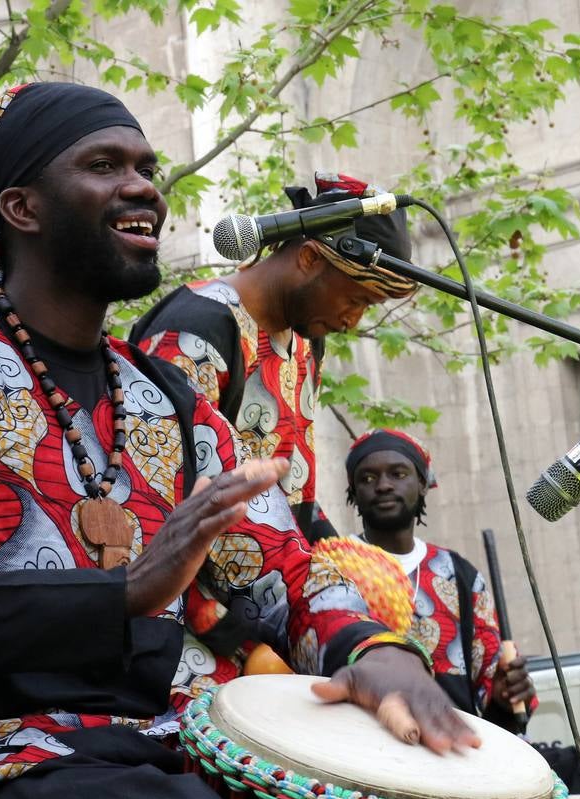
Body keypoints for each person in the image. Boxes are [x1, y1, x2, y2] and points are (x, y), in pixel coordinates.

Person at [0, 83, 475, 799]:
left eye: (148, 168)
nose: (145, 186)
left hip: (153, 750)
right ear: (22, 207)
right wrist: (113, 594)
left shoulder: (177, 409)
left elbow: (282, 571)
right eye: (104, 165)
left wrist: (376, 656)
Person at [131, 172, 416, 544]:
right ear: (310, 258)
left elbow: (292, 492)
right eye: (356, 300)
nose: (352, 322)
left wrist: (342, 561)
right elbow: (161, 495)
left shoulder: (307, 338)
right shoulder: (194, 330)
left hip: (278, 579)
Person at [344, 428, 536, 729]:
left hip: (454, 752)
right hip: (363, 750)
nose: (382, 485)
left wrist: (503, 695)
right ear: (353, 491)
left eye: (398, 473)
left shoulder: (459, 575)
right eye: (367, 478)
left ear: (422, 483)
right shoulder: (333, 566)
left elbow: (489, 683)